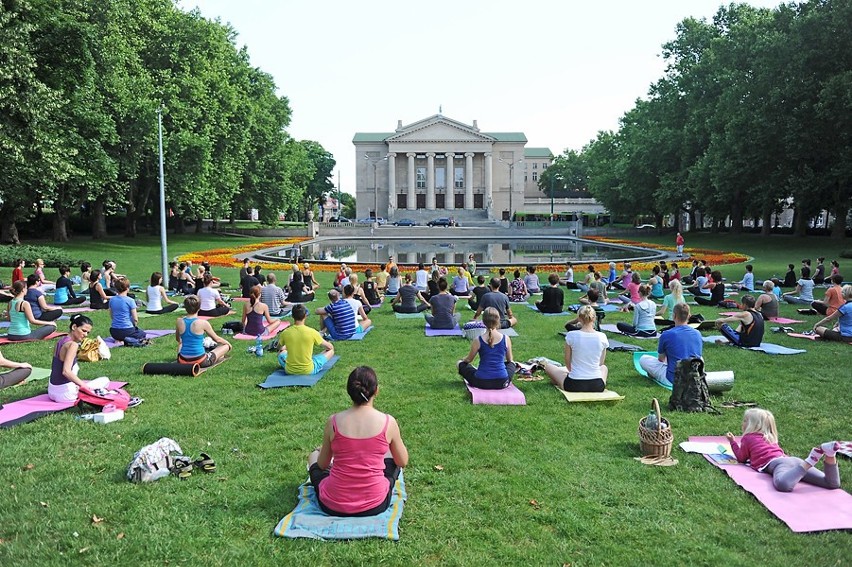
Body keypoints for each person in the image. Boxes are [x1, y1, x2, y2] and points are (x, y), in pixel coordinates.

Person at [307, 366, 408, 517]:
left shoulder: (334, 421)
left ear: (349, 392)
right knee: (391, 456)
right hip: (375, 503)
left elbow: (322, 464)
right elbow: (402, 461)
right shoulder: (388, 422)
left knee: (313, 456)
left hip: (333, 503)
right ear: (376, 391)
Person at [726, 409, 846, 493]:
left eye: (745, 421)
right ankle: (830, 454)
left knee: (783, 485)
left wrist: (732, 441)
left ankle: (809, 461)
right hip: (793, 461)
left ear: (751, 425)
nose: (743, 423)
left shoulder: (748, 438)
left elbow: (741, 458)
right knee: (832, 484)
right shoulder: (770, 436)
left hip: (779, 464)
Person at [542, 305, 609, 393]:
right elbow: (601, 363)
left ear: (579, 319)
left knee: (548, 367)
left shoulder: (571, 335)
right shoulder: (602, 336)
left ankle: (559, 379)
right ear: (594, 318)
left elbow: (567, 362)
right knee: (604, 368)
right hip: (597, 385)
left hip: (574, 384)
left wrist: (572, 372)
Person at [47, 315, 109, 403]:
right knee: (105, 380)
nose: (85, 335)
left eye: (87, 332)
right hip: (65, 395)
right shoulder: (73, 345)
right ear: (74, 327)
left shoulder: (60, 341)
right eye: (83, 331)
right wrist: (84, 386)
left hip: (51, 391)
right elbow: (66, 371)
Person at [639, 303, 703, 385]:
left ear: (674, 316)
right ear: (689, 316)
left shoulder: (667, 334)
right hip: (693, 376)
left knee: (643, 359)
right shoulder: (697, 333)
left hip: (673, 379)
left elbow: (661, 359)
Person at [457, 307, 516, 389]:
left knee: (460, 363)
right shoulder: (506, 338)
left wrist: (462, 359)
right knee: (512, 364)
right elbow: (510, 360)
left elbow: (468, 360)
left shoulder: (478, 340)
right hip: (502, 382)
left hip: (480, 382)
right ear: (498, 321)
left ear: (483, 322)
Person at [277, 304, 334, 374]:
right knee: (331, 350)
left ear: (292, 316)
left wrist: (287, 346)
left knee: (281, 353)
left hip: (290, 370)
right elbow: (329, 347)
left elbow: (279, 347)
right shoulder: (312, 332)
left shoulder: (285, 332)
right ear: (305, 316)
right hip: (309, 370)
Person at [176, 295, 232, 366]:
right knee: (225, 346)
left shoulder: (179, 321)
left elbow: (178, 340)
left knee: (181, 344)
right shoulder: (203, 323)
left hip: (182, 360)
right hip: (200, 361)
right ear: (199, 308)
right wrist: (229, 344)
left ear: (185, 308)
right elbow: (217, 339)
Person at [108, 277, 147, 344]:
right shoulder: (130, 301)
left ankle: (119, 339)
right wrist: (134, 326)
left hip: (114, 331)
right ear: (127, 288)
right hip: (127, 330)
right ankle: (127, 340)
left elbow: (112, 316)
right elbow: (135, 319)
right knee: (142, 334)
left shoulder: (112, 300)